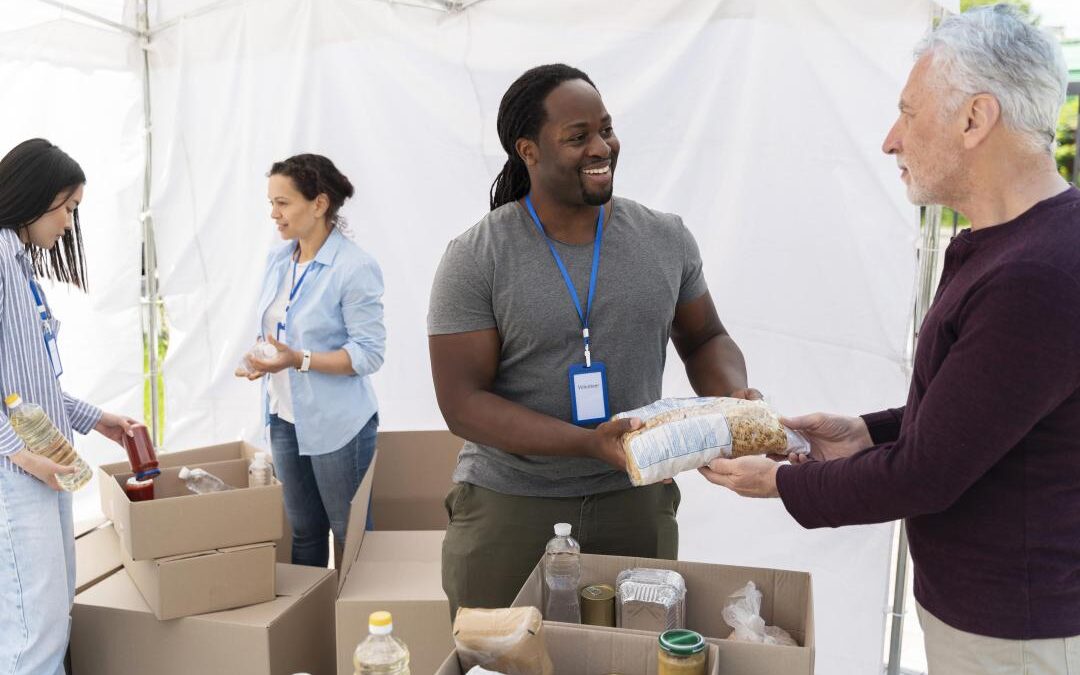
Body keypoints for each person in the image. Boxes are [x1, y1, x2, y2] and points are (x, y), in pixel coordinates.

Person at [699, 6, 1080, 673]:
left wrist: (782, 483)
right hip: (989, 613)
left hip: (1010, 630)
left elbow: (928, 473)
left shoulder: (1038, 272)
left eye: (908, 112)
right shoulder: (1024, 246)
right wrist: (866, 431)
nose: (889, 140)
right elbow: (982, 414)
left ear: (974, 119)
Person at [429, 64, 758, 614]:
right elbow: (463, 405)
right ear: (527, 151)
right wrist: (585, 442)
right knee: (499, 661)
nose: (601, 147)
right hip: (511, 504)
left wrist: (734, 399)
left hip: (635, 496)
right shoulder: (477, 256)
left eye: (605, 129)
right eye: (578, 137)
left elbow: (705, 338)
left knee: (636, 656)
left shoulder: (664, 237)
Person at [0, 138, 141, 674]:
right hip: (17, 473)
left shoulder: (17, 264)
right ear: (34, 195)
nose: (68, 224)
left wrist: (94, 418)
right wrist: (22, 455)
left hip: (40, 467)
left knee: (49, 618)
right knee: (34, 633)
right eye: (67, 208)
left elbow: (24, 386)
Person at [240, 153, 385, 568]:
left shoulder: (354, 267)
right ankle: (309, 630)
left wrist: (297, 360)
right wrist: (260, 358)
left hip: (338, 424)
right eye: (271, 203)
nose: (273, 214)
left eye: (282, 203)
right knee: (304, 533)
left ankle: (359, 629)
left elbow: (369, 353)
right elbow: (277, 328)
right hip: (284, 417)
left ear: (319, 204)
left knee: (348, 535)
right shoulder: (278, 260)